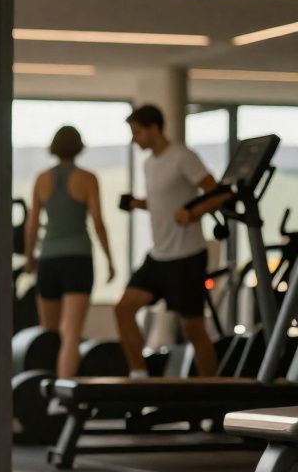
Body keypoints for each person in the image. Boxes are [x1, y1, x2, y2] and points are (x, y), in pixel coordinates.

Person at [117, 105, 225, 378]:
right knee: (123, 310)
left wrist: (193, 213)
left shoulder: (182, 157)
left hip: (187, 256)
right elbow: (161, 204)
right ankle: (139, 378)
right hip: (159, 256)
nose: (135, 139)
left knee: (193, 330)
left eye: (138, 132)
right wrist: (137, 203)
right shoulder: (149, 164)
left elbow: (219, 194)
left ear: (154, 128)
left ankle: (213, 394)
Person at [23, 126, 115, 378]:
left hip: (49, 259)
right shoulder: (87, 178)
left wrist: (30, 256)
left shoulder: (42, 179)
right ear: (79, 147)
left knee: (49, 333)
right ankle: (62, 394)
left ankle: (45, 390)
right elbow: (97, 221)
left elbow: (32, 224)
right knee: (71, 333)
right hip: (78, 259)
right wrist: (110, 259)